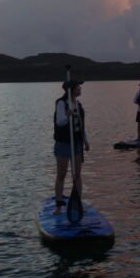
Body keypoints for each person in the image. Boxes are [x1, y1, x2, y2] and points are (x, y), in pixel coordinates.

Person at [53, 79, 89, 215]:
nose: (80, 88)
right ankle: (58, 206)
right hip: (63, 143)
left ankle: (78, 203)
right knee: (61, 175)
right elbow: (60, 122)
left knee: (77, 175)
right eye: (78, 87)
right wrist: (68, 114)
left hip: (77, 143)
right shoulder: (61, 103)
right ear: (71, 89)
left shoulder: (78, 104)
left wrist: (85, 141)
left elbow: (81, 124)